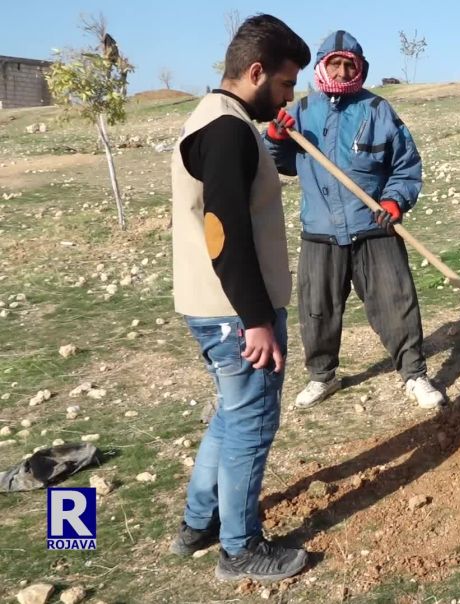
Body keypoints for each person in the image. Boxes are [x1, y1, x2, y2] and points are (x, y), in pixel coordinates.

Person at [168, 14, 312, 581]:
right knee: (251, 424)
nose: (287, 99)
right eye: (283, 85)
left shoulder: (213, 119)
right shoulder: (226, 130)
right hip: (234, 316)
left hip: (214, 307)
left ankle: (198, 523)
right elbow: (222, 228)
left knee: (231, 416)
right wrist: (256, 319)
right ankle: (240, 548)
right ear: (255, 72)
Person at [264, 30, 445, 410]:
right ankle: (322, 377)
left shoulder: (378, 110)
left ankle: (414, 375)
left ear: (360, 69)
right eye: (336, 63)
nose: (344, 71)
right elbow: (283, 165)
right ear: (322, 65)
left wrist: (395, 202)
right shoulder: (299, 112)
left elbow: (405, 165)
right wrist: (276, 138)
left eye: (351, 65)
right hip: (321, 233)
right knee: (318, 309)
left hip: (374, 226)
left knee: (397, 304)